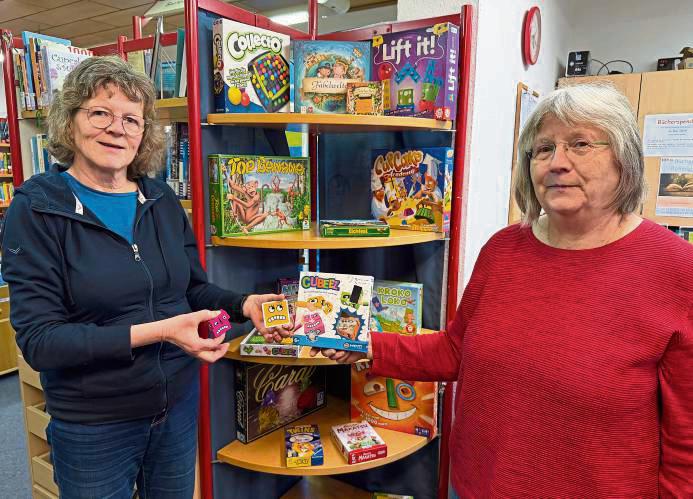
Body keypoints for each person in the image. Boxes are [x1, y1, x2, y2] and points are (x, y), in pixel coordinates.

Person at [316, 84, 693, 497]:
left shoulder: (677, 269)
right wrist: (366, 345)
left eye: (580, 144)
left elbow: (686, 442)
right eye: (543, 149)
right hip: (476, 486)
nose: (557, 163)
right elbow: (456, 351)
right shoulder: (503, 249)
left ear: (624, 158)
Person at [2, 56, 290, 499]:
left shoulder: (159, 198)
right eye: (100, 113)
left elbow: (192, 288)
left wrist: (243, 303)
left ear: (144, 134)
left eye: (131, 119)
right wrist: (163, 331)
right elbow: (41, 341)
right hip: (95, 423)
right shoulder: (37, 209)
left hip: (176, 407)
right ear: (70, 121)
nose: (117, 129)